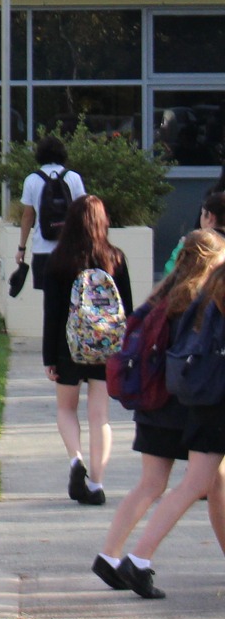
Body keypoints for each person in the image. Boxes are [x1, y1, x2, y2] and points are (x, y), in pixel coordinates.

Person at [94, 217, 225, 593]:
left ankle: (109, 554)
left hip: (152, 403)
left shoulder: (161, 295)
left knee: (156, 484)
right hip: (182, 406)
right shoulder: (199, 300)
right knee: (200, 483)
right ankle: (139, 557)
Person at [42, 194, 133, 506]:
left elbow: (52, 314)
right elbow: (128, 312)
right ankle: (96, 483)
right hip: (106, 347)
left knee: (66, 409)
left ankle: (75, 460)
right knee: (100, 417)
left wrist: (49, 357)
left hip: (68, 346)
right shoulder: (115, 259)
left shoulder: (58, 260)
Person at [15, 136, 85, 288]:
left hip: (42, 249)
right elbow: (83, 212)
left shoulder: (32, 180)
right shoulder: (74, 178)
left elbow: (28, 216)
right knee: (71, 297)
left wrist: (22, 248)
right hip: (69, 248)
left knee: (49, 300)